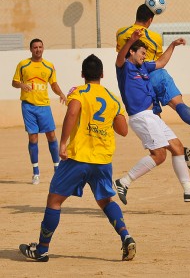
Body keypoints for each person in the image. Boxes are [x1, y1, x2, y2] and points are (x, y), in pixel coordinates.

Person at [19, 54, 136, 262]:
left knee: (55, 200)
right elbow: (123, 130)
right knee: (105, 200)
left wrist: (62, 144)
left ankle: (42, 250)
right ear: (101, 74)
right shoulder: (111, 97)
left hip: (78, 157)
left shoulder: (79, 92)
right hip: (102, 159)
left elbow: (71, 114)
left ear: (83, 74)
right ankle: (126, 236)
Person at [114, 29, 190, 205]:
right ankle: (124, 181)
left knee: (178, 148)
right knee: (159, 155)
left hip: (153, 117)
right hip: (141, 117)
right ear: (132, 52)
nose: (144, 56)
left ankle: (188, 190)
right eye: (142, 53)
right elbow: (120, 56)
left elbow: (161, 62)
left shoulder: (143, 66)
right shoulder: (124, 67)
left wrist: (173, 45)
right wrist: (131, 41)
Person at [116, 4, 190, 150]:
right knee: (179, 104)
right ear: (150, 20)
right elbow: (159, 61)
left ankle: (177, 149)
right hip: (155, 73)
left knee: (155, 120)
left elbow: (122, 54)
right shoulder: (155, 38)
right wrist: (172, 45)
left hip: (139, 81)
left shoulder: (121, 33)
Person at [12, 38, 67, 185]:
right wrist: (21, 85)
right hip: (28, 106)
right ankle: (36, 172)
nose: (38, 49)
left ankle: (57, 169)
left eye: (40, 47)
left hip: (44, 107)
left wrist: (61, 93)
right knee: (33, 138)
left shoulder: (49, 66)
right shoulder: (23, 65)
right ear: (30, 49)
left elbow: (53, 84)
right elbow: (14, 82)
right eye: (35, 47)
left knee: (51, 135)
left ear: (43, 48)